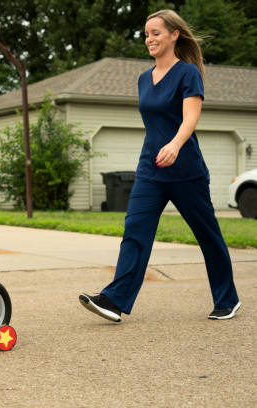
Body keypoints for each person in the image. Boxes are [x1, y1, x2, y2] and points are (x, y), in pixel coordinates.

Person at [79, 9, 241, 322]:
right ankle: (114, 300)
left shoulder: (188, 73)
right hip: (150, 169)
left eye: (155, 33)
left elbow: (191, 116)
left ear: (174, 35)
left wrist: (176, 144)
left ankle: (227, 298)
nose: (149, 39)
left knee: (208, 235)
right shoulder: (143, 78)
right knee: (135, 232)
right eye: (146, 34)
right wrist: (162, 148)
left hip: (186, 171)